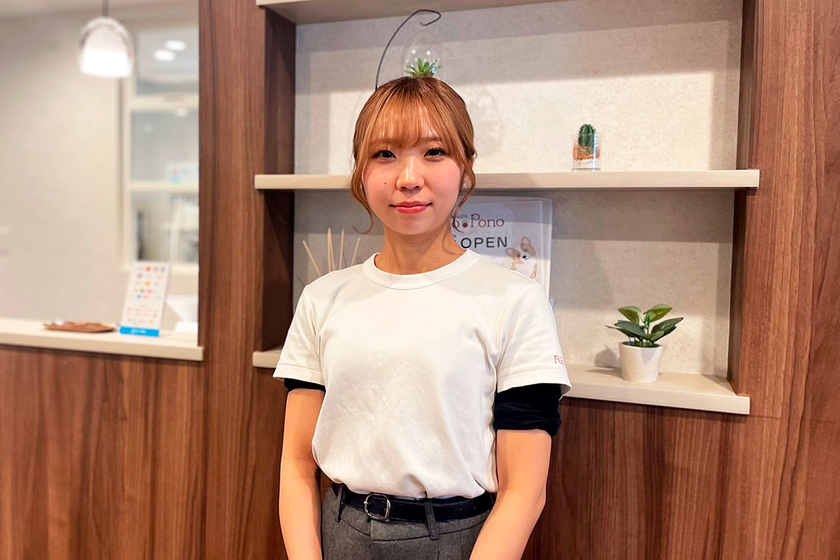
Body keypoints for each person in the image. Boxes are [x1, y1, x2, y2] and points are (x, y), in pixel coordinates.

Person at [275, 76, 572, 560]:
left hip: (457, 539)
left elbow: (524, 491)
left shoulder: (515, 300)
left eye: (434, 152)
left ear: (466, 168)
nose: (408, 177)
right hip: (341, 530)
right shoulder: (322, 298)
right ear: (361, 172)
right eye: (385, 154)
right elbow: (295, 462)